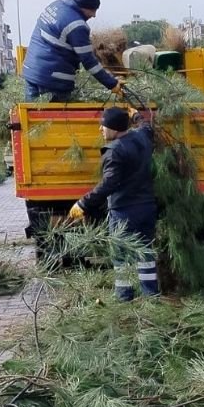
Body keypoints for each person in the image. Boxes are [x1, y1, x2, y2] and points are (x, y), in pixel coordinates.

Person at [70, 107, 159, 301]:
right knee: (145, 253)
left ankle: (124, 297)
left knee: (121, 256)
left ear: (115, 128)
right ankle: (151, 297)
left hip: (124, 211)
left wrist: (83, 204)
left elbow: (109, 183)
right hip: (146, 208)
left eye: (104, 125)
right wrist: (136, 115)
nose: (101, 129)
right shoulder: (142, 138)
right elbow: (147, 126)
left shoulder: (115, 151)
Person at [23, 0, 124, 102]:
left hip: (31, 73)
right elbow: (89, 62)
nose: (94, 15)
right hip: (53, 82)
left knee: (34, 114)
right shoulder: (77, 25)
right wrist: (112, 84)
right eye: (93, 11)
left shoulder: (55, 6)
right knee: (56, 119)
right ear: (85, 7)